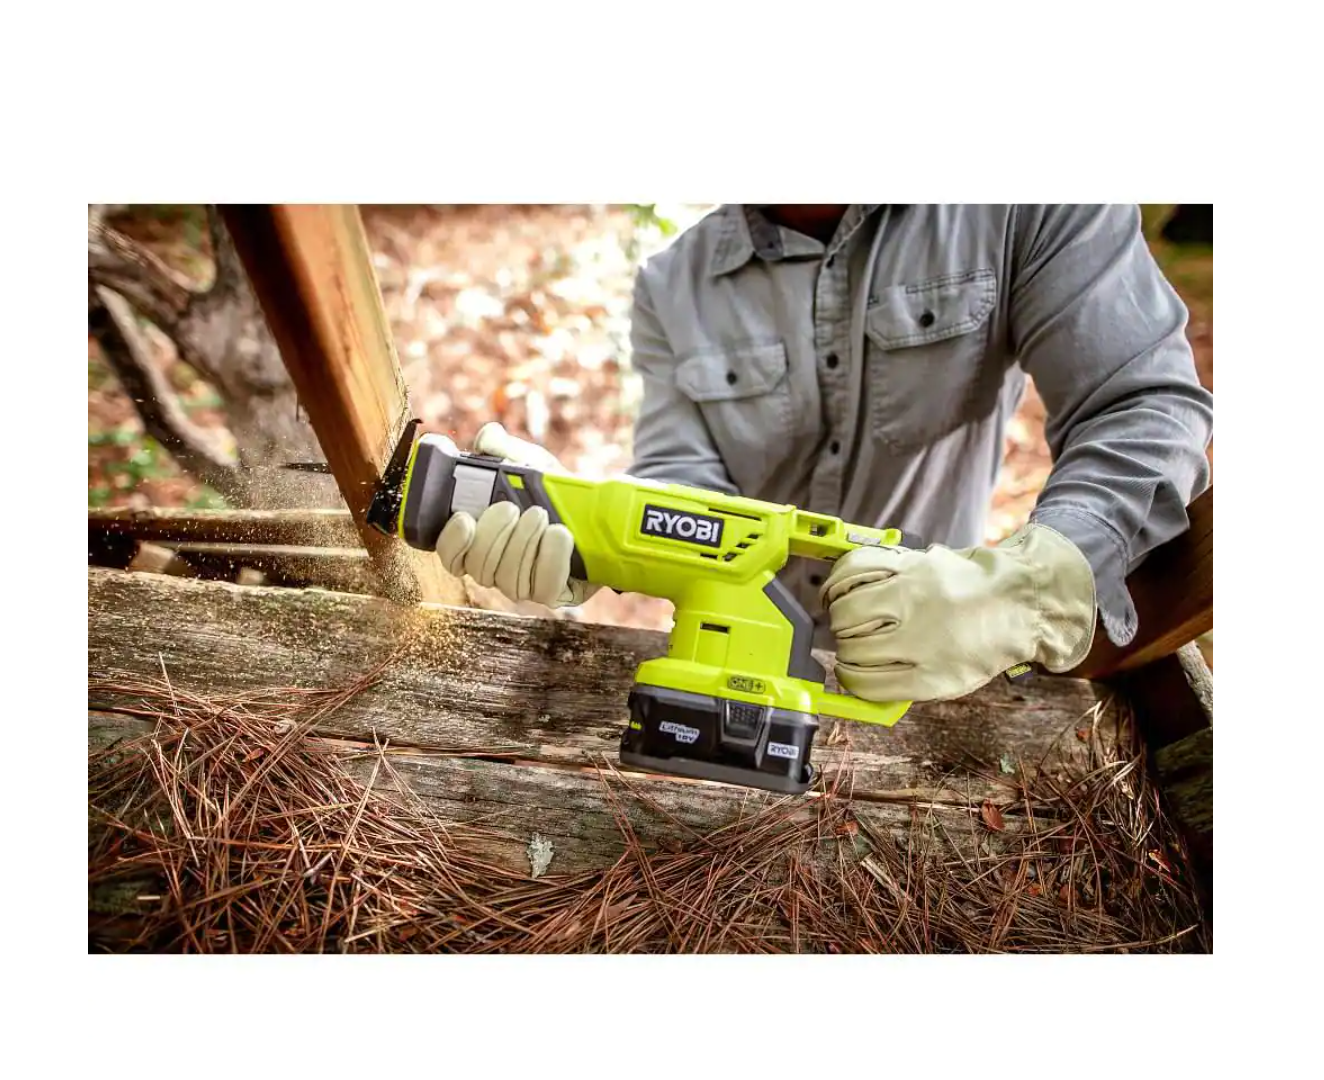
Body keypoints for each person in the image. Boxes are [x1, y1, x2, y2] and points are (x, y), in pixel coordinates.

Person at [436, 204, 1214, 704]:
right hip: (742, 650)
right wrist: (585, 531)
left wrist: (1025, 587)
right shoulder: (673, 285)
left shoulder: (1029, 204)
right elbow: (684, 486)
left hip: (935, 657)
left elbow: (1145, 405)